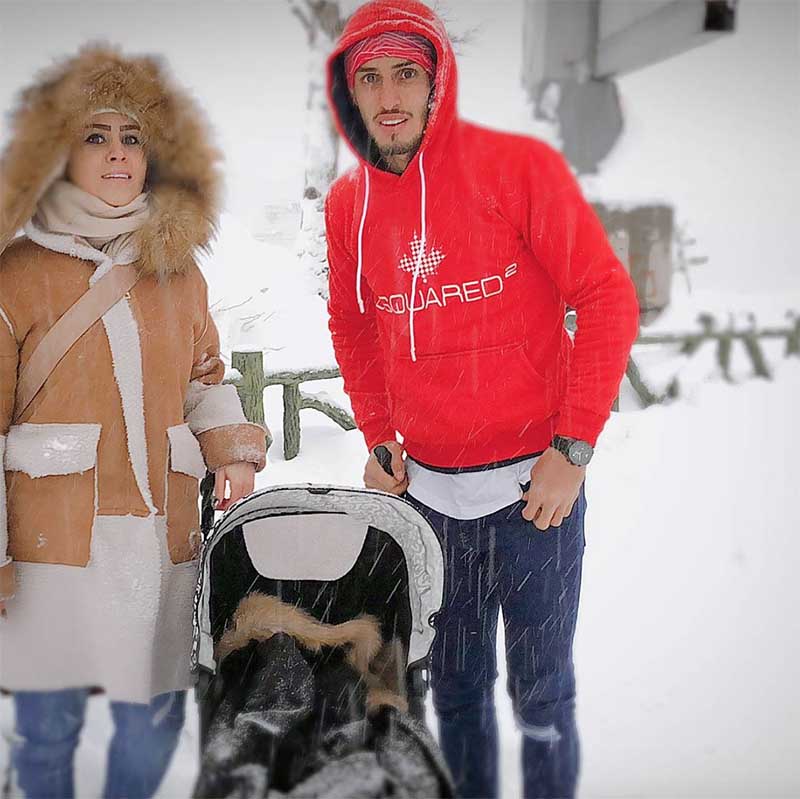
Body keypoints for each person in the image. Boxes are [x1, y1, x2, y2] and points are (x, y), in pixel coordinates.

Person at [324, 2, 640, 797]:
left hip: (536, 496)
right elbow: (354, 323)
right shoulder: (348, 206)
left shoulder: (517, 168)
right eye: (369, 77)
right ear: (348, 92)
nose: (388, 95)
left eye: (406, 73)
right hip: (429, 504)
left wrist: (573, 448)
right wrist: (378, 432)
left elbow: (606, 296)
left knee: (542, 697)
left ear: (437, 82)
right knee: (456, 695)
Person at [0, 46, 268, 799]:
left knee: (154, 719)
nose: (118, 153)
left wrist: (231, 449)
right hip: (49, 544)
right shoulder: (14, 274)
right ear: (58, 153)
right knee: (48, 725)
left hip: (159, 537)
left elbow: (204, 378)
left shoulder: (179, 271)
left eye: (133, 137)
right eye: (96, 136)